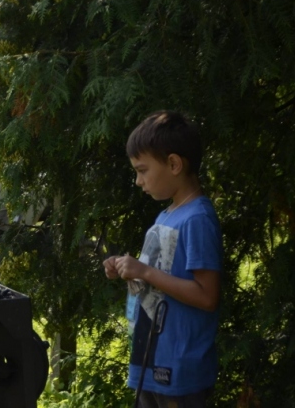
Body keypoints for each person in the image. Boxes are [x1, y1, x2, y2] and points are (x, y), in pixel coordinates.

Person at [103, 111, 222, 407]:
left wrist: (144, 270)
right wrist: (126, 269)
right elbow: (159, 274)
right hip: (151, 362)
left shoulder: (197, 219)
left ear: (173, 164)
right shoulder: (167, 215)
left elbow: (208, 296)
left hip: (180, 371)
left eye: (142, 170)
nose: (137, 181)